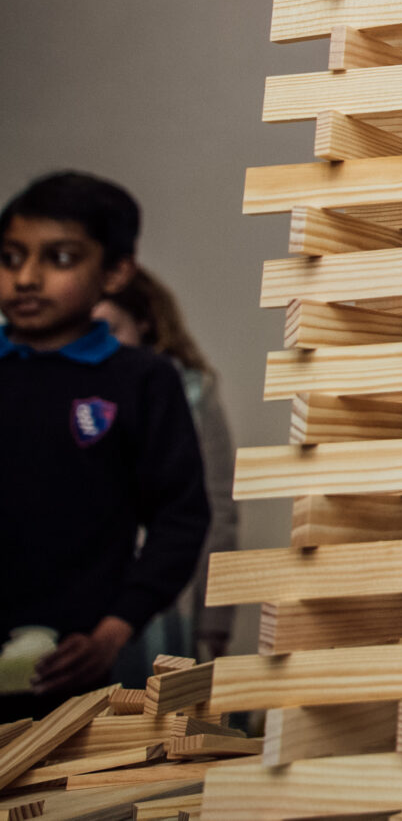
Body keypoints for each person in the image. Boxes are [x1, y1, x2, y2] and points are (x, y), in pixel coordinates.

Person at [0, 172, 211, 716]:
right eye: (10, 257)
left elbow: (180, 517)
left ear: (116, 272)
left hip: (79, 663)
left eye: (60, 259)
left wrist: (113, 633)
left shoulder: (142, 380)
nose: (26, 278)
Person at [94, 266, 237, 665]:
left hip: (161, 606)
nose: (99, 347)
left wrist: (214, 624)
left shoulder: (189, 393)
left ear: (144, 324)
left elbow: (215, 514)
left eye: (111, 330)